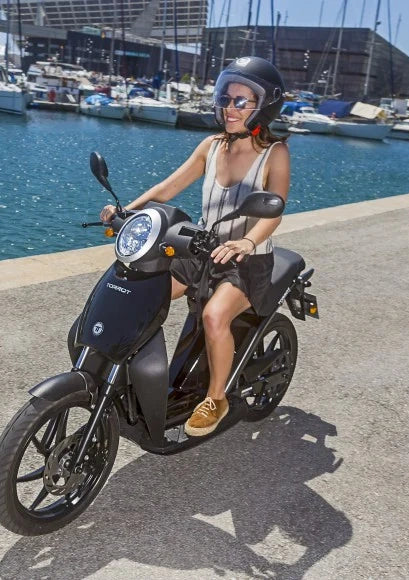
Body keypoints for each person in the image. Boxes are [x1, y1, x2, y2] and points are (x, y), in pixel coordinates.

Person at [100, 56, 290, 437]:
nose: (230, 108)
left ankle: (215, 398)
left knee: (214, 317)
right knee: (144, 293)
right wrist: (128, 209)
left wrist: (247, 241)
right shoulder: (212, 146)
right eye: (226, 98)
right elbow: (169, 187)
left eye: (242, 101)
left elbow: (275, 210)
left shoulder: (275, 153)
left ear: (263, 106)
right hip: (202, 250)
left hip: (246, 260)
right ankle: (128, 370)